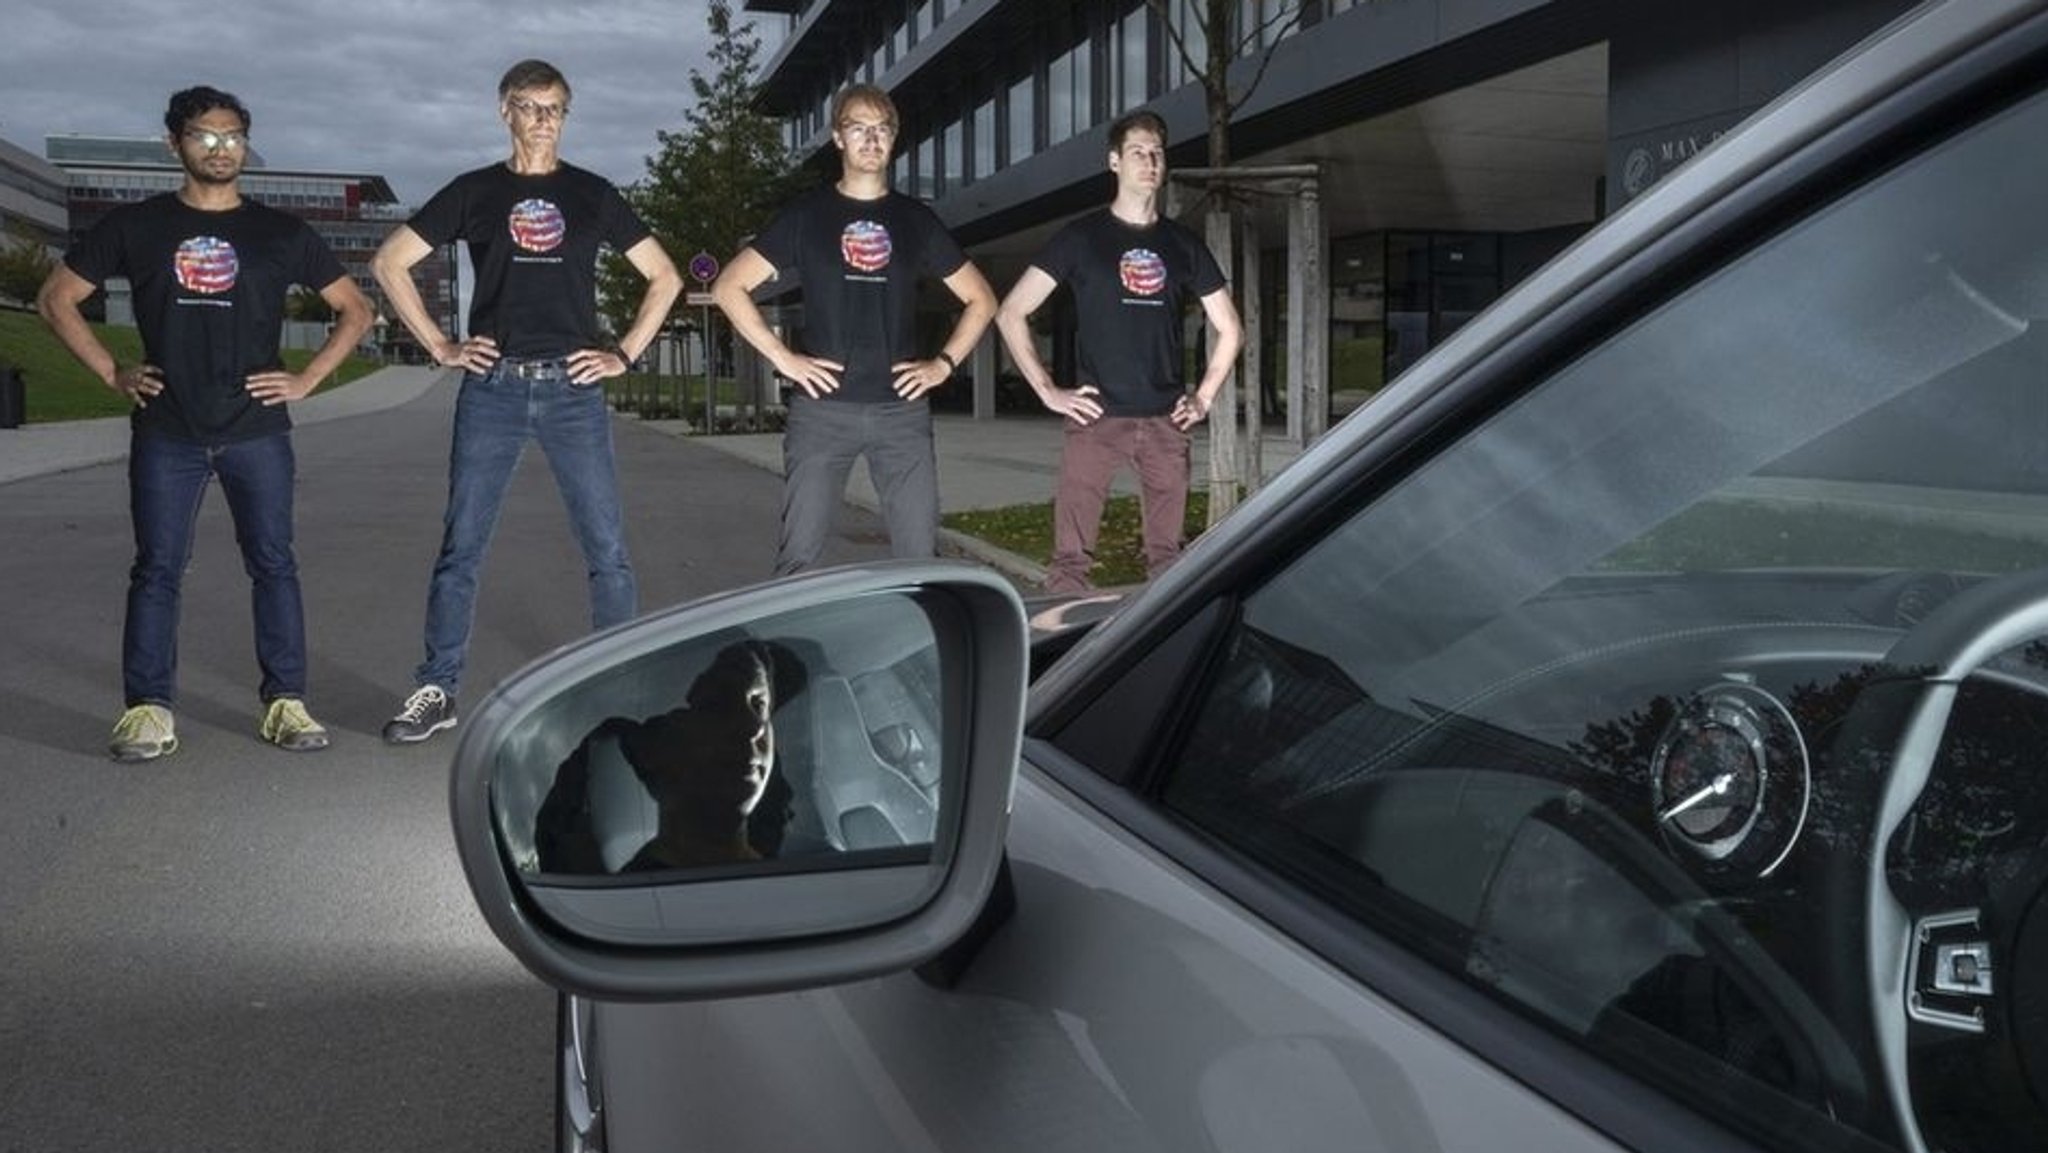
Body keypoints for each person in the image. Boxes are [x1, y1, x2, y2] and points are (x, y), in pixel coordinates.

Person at [36, 85, 373, 761]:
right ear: (175, 144)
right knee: (157, 568)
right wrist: (111, 371)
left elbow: (356, 310)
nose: (221, 149)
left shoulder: (281, 232)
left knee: (274, 563)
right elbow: (56, 298)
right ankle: (148, 710)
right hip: (169, 430)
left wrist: (306, 379)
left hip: (258, 430)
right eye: (204, 136)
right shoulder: (136, 227)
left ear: (246, 143)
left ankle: (285, 703)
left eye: (232, 136)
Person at [372, 59, 683, 745]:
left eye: (554, 108)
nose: (542, 120)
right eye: (529, 106)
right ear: (502, 111)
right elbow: (389, 261)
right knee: (462, 546)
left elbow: (664, 276)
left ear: (566, 116)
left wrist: (624, 352)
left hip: (574, 389)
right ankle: (437, 686)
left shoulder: (593, 194)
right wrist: (440, 344)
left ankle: (618, 687)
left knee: (606, 547)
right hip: (494, 388)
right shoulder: (474, 192)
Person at [712, 83, 996, 576]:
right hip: (822, 415)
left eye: (881, 128)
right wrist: (783, 358)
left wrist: (943, 364)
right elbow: (729, 287)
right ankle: (792, 653)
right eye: (858, 128)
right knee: (799, 560)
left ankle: (918, 653)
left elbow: (982, 298)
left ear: (894, 138)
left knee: (920, 562)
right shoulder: (806, 218)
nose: (871, 138)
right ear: (837, 138)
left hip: (901, 415)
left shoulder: (916, 220)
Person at [994, 110, 1244, 593]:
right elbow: (1010, 312)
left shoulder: (1182, 245)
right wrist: (1048, 391)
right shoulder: (1081, 238)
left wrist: (1205, 398)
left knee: (1169, 561)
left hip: (1166, 421)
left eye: (1157, 153)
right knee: (1069, 562)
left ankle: (1162, 650)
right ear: (1114, 162)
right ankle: (1062, 653)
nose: (1150, 161)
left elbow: (1230, 329)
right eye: (1138, 152)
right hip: (1096, 420)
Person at [534, 639, 806, 874]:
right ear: (654, 748)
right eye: (718, 705)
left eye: (759, 705)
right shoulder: (631, 906)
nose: (754, 727)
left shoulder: (809, 863)